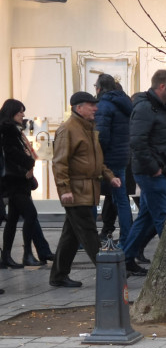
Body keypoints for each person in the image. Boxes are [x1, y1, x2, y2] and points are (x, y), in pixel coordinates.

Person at [49, 92, 121, 288]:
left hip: (86, 190)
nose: (95, 108)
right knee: (89, 232)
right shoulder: (68, 129)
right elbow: (59, 163)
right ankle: (108, 273)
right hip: (76, 192)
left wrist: (109, 175)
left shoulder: (88, 129)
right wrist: (64, 189)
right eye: (91, 105)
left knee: (71, 235)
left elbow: (96, 160)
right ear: (78, 108)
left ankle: (58, 275)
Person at [121, 69, 166, 277]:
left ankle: (125, 259)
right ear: (161, 87)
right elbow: (137, 142)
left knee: (145, 218)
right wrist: (154, 168)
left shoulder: (160, 107)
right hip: (152, 174)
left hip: (157, 172)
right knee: (164, 217)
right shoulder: (146, 108)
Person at [1, 99, 55, 268]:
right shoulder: (8, 129)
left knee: (13, 219)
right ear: (11, 113)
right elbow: (12, 153)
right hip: (15, 181)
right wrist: (28, 163)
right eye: (20, 112)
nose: (23, 115)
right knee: (30, 215)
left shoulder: (13, 129)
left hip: (16, 181)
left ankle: (7, 256)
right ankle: (27, 254)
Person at [94, 73, 134, 245]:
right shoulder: (124, 103)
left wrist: (97, 155)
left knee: (91, 197)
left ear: (100, 88)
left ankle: (85, 238)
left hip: (108, 158)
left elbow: (102, 135)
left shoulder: (104, 105)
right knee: (121, 198)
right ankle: (127, 235)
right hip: (122, 156)